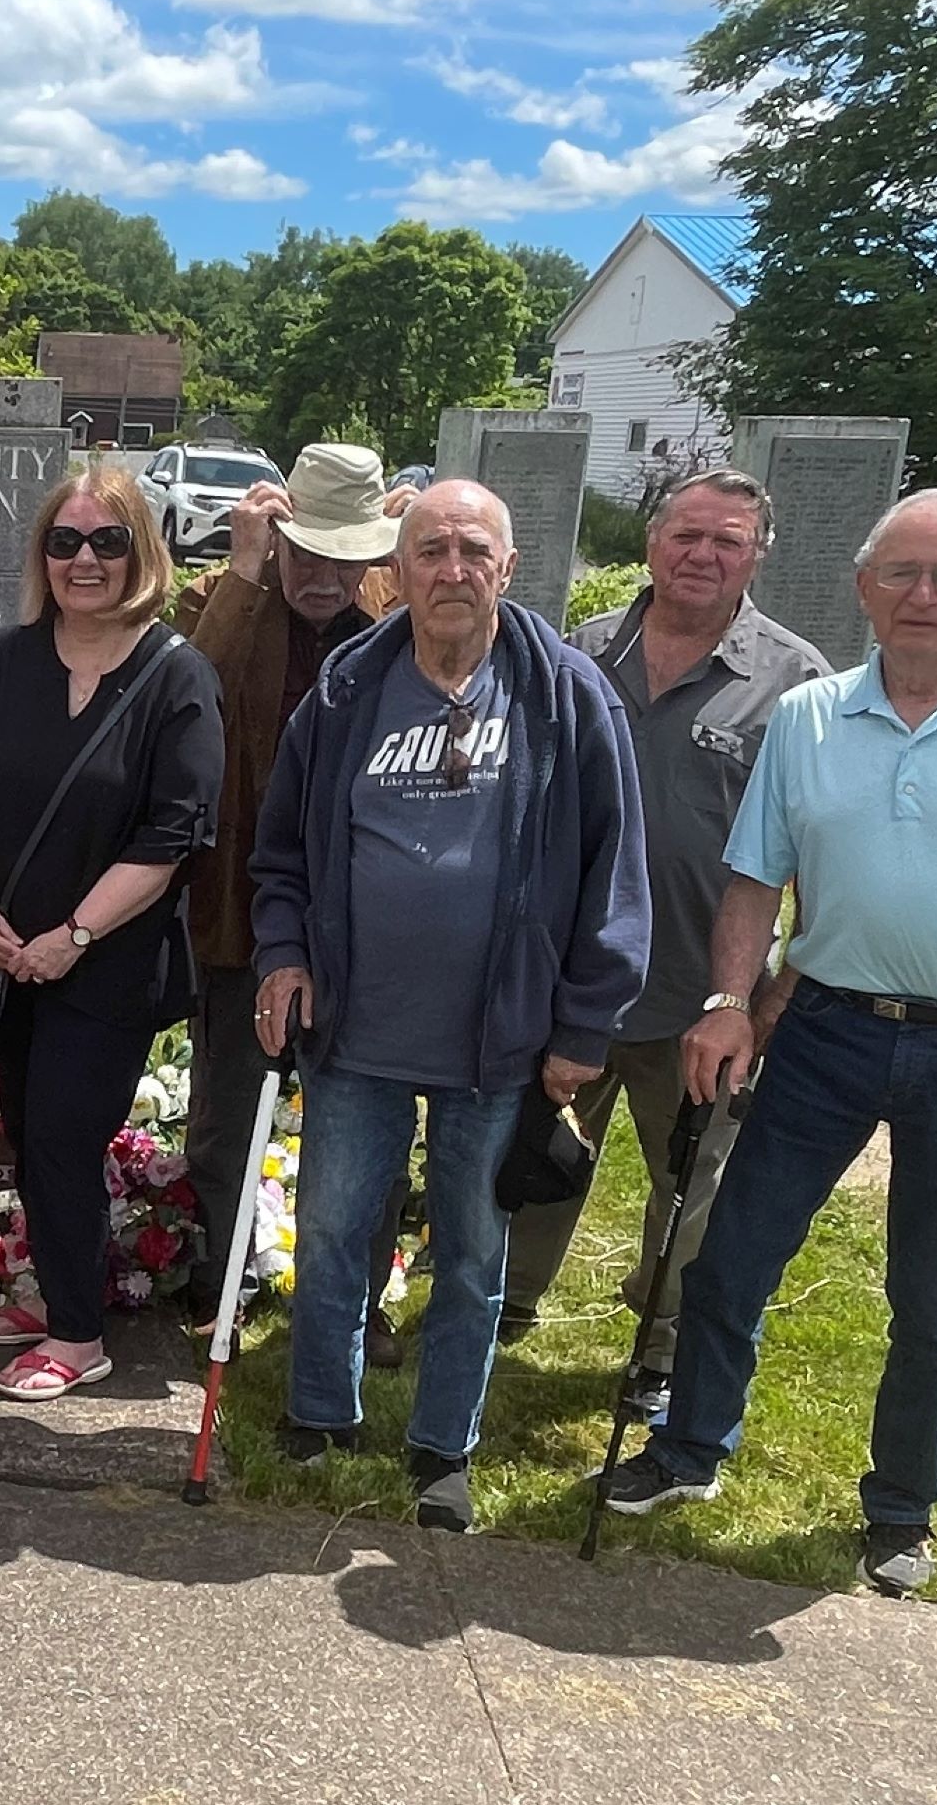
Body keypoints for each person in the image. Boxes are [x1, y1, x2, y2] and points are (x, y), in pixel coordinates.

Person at [602, 489, 937, 1595]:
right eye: (899, 572)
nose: (920, 596)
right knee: (730, 1258)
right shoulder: (808, 715)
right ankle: (689, 1448)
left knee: (934, 1302)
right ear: (861, 587)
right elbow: (753, 879)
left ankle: (898, 1508)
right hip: (823, 1031)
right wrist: (725, 1001)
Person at [253, 480, 648, 1529]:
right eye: (429, 550)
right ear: (396, 567)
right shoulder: (343, 689)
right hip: (355, 1029)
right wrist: (283, 954)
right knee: (334, 1227)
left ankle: (441, 1445)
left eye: (474, 549)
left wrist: (580, 1026)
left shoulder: (566, 697)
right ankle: (317, 1413)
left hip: (500, 1040)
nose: (451, 569)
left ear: (506, 568)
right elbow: (281, 850)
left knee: (472, 1254)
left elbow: (615, 867)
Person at [498, 470, 830, 1413]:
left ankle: (661, 1341)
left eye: (727, 541)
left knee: (693, 1186)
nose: (702, 555)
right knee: (536, 1153)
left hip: (700, 994)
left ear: (756, 554)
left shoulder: (798, 684)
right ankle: (505, 1301)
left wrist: (767, 1000)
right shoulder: (580, 655)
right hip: (570, 983)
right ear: (653, 542)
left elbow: (816, 860)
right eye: (687, 534)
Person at [0, 467, 224, 1397]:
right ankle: (54, 1291)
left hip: (108, 962)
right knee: (28, 1127)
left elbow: (172, 835)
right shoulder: (10, 657)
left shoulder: (177, 675)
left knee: (65, 1134)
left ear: (141, 549)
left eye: (106, 541)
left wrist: (75, 933)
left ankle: (76, 1336)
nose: (84, 560)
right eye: (65, 542)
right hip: (7, 951)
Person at [173, 442, 406, 1361]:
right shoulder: (226, 603)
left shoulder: (397, 613)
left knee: (369, 1116)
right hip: (242, 908)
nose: (322, 576)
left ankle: (358, 1294)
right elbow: (184, 690)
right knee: (229, 1108)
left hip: (368, 915)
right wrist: (241, 571)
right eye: (304, 551)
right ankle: (218, 1272)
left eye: (345, 556)